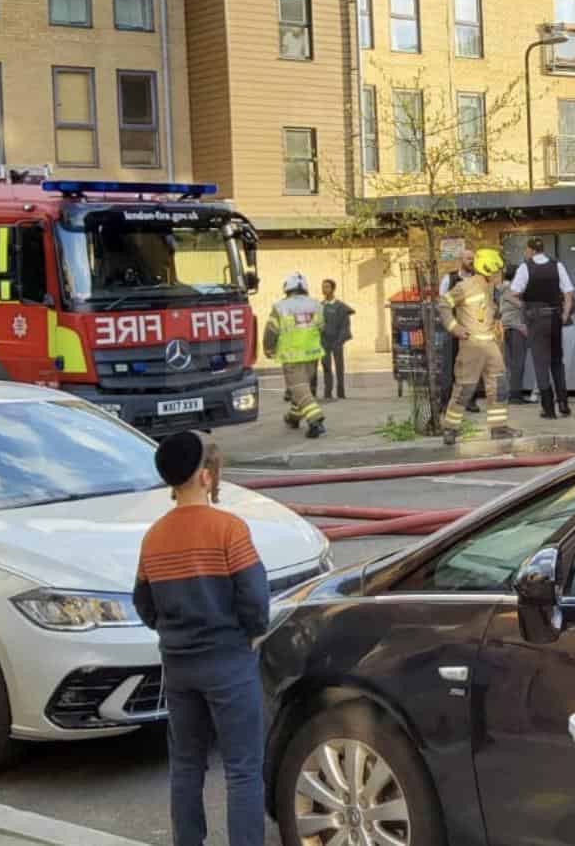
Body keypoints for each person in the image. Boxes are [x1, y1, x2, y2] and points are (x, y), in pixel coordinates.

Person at [134, 432, 270, 846]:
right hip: (229, 659)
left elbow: (144, 603)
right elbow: (255, 600)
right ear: (207, 477)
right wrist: (251, 633)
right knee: (243, 769)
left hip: (178, 665)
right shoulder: (229, 529)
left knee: (186, 764)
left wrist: (171, 631)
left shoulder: (153, 537)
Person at [439, 248, 522, 445]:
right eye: (496, 271)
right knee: (465, 388)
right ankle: (450, 429)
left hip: (490, 344)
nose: (499, 274)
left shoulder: (491, 288)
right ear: (488, 269)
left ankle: (498, 428)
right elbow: (444, 304)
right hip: (472, 345)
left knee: (499, 386)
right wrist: (454, 328)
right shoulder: (465, 286)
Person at [511, 237, 575, 419]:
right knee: (557, 360)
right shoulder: (557, 265)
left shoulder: (526, 267)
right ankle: (563, 404)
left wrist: (525, 307)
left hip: (536, 317)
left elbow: (513, 293)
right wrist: (564, 314)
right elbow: (569, 292)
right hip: (555, 315)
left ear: (530, 250)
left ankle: (548, 408)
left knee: (540, 362)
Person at [263, 274, 326, 438]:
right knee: (302, 388)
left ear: (286, 289)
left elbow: (271, 330)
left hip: (292, 356)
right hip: (312, 354)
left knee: (299, 389)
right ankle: (293, 418)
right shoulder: (316, 305)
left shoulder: (280, 307)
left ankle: (315, 420)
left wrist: (268, 349)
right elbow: (321, 327)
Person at [439, 250, 479, 417]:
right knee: (449, 365)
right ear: (460, 260)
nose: (471, 261)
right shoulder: (449, 278)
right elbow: (442, 302)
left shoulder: (478, 279)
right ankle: (446, 401)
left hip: (472, 329)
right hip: (454, 328)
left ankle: (469, 400)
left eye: (473, 259)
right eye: (468, 258)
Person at [318, 279, 354, 401]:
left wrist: (340, 339)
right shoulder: (320, 306)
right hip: (324, 342)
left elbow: (345, 325)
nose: (324, 289)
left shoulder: (341, 307)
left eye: (327, 287)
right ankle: (328, 392)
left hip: (337, 341)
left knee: (339, 367)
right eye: (323, 287)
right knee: (326, 366)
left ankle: (341, 392)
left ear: (333, 289)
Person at [499, 265, 528, 405]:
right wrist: (523, 326)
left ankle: (510, 393)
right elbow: (521, 306)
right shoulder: (513, 289)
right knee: (519, 362)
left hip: (505, 328)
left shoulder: (501, 289)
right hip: (516, 329)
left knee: (509, 363)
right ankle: (515, 395)